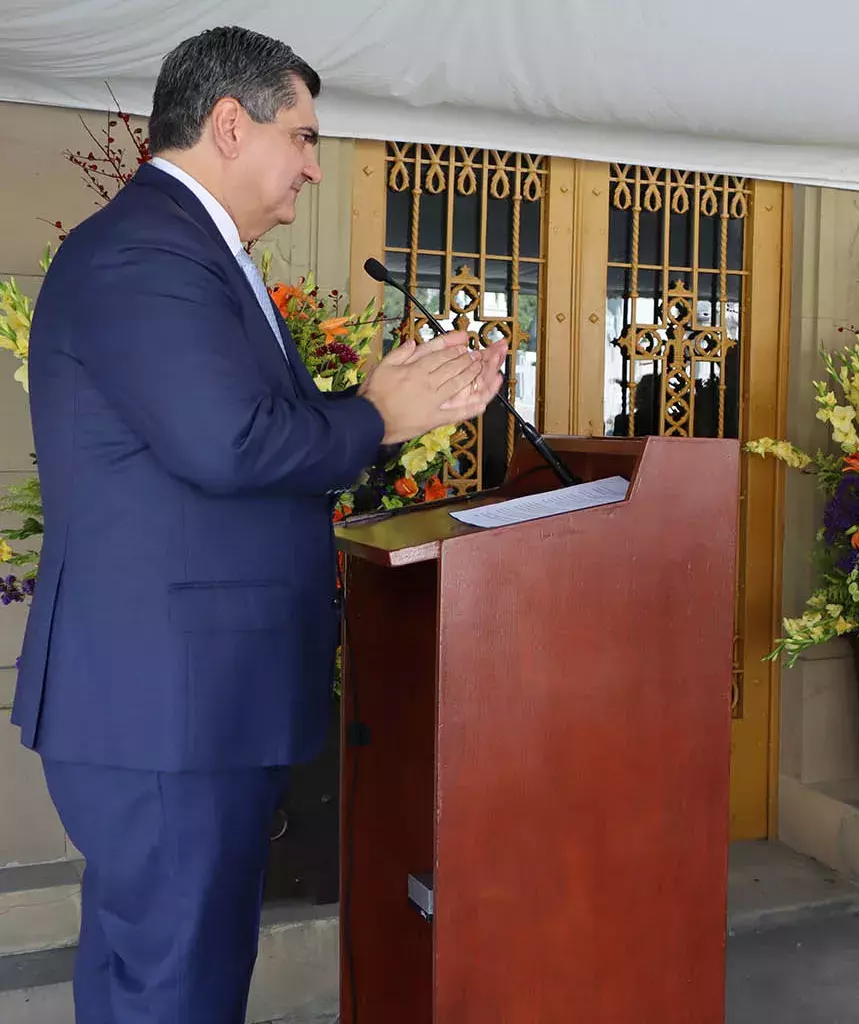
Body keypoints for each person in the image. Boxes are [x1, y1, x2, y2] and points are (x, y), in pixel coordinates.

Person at [10, 28, 508, 1022]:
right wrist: (376, 413)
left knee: (147, 975)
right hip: (164, 704)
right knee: (176, 988)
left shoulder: (195, 251)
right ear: (230, 124)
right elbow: (228, 445)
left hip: (182, 700)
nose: (315, 167)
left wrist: (381, 405)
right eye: (305, 136)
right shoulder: (148, 252)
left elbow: (236, 434)